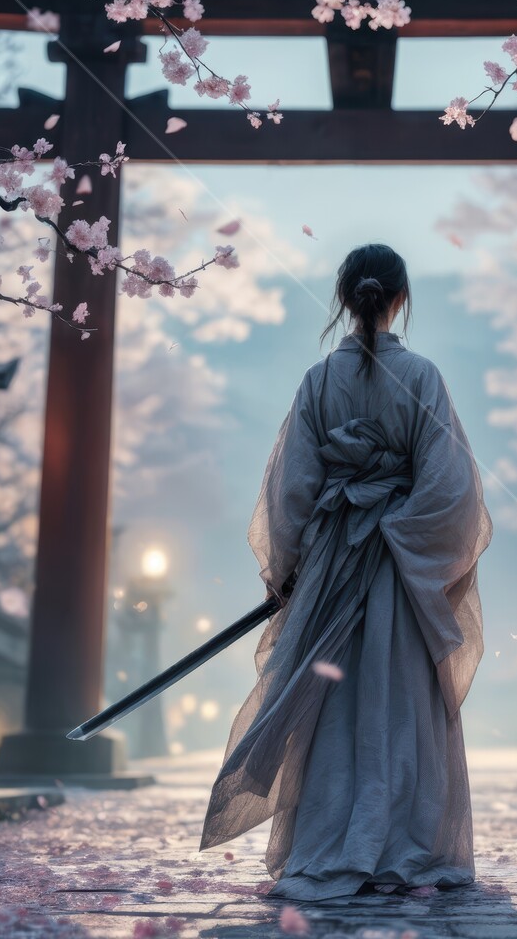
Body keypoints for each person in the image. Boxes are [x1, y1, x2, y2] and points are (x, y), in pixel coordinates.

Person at [199, 243, 492, 901]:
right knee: (402, 705)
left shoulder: (317, 383)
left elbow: (291, 492)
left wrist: (291, 569)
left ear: (342, 298)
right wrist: (404, 535)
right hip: (400, 568)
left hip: (333, 564)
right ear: (400, 299)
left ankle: (329, 843)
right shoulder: (422, 378)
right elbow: (451, 494)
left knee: (330, 703)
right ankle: (401, 848)